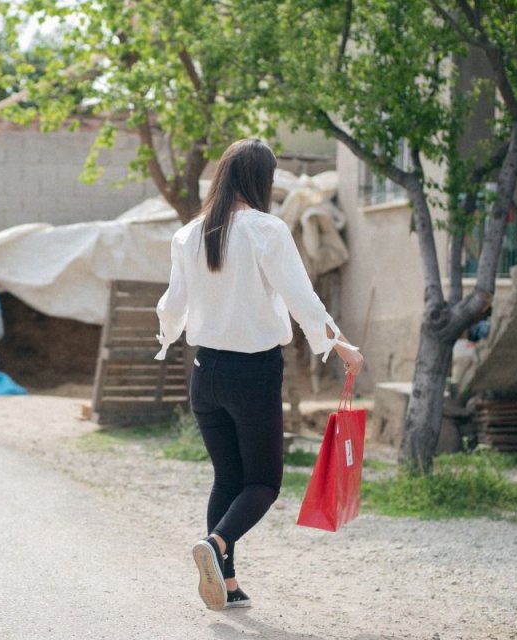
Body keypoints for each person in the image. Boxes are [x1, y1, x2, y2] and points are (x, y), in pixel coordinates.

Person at [155, 138, 364, 611]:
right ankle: (216, 544)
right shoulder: (266, 231)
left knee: (227, 479)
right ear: (261, 180)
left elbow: (174, 305)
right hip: (252, 373)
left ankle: (225, 585)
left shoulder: (189, 235)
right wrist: (341, 346)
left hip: (204, 371)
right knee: (264, 483)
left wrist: (167, 337)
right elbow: (301, 298)